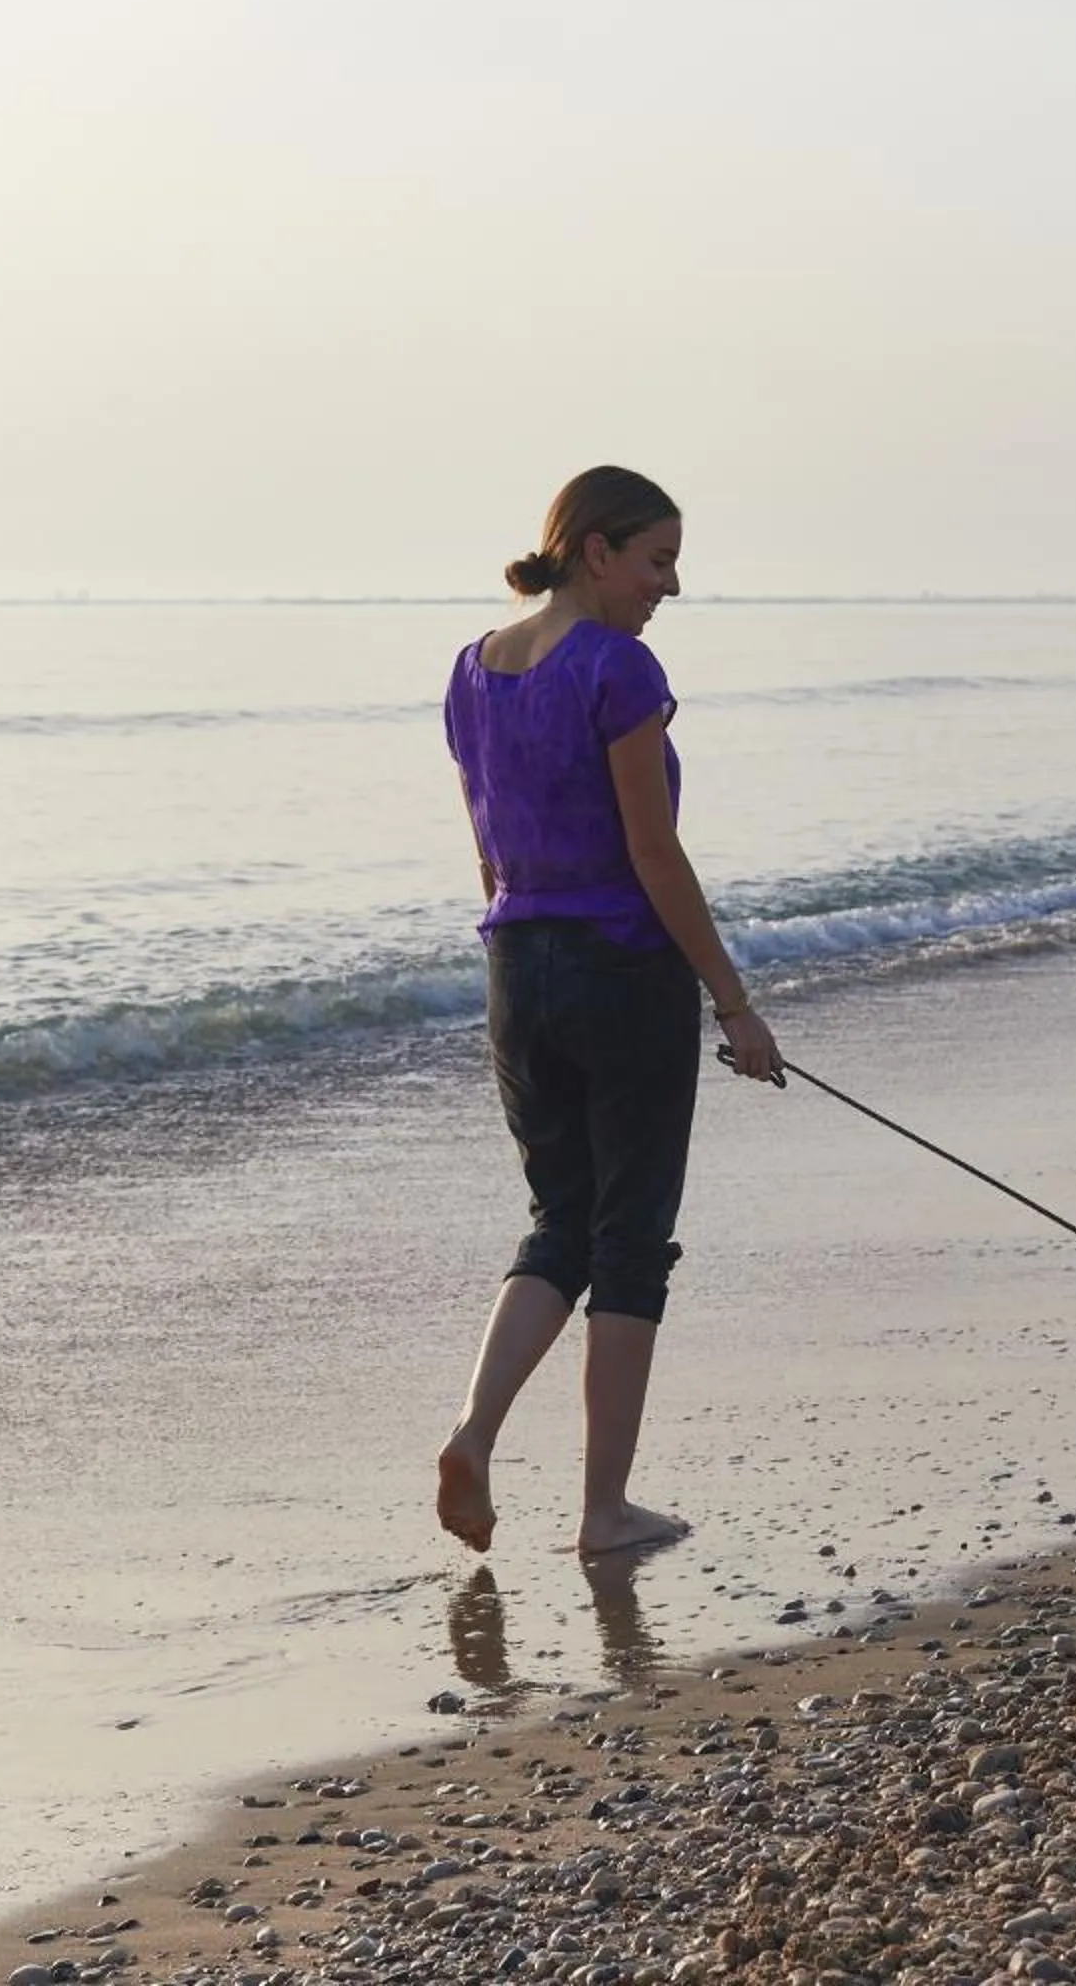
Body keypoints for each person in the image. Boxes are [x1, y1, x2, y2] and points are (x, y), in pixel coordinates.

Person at [434, 465, 782, 1558]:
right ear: (596, 551)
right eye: (657, 559)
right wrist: (734, 1004)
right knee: (628, 1241)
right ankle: (603, 1510)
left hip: (516, 965)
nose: (668, 586)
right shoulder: (618, 669)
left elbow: (488, 851)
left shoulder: (473, 667)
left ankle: (474, 1430)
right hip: (621, 971)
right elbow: (651, 851)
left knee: (558, 1222)